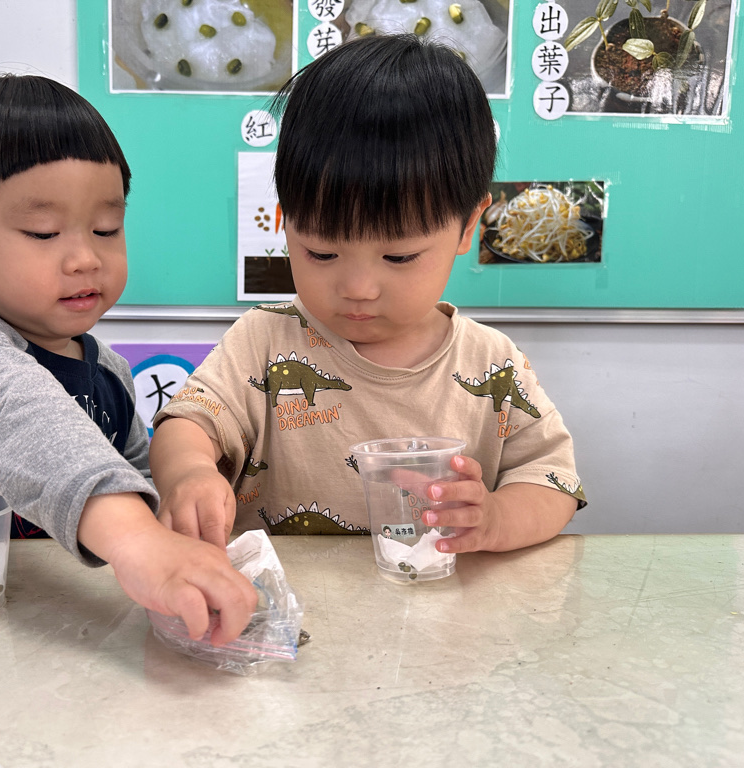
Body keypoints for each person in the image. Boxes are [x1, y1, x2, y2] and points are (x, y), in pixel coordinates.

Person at [150, 35, 586, 555]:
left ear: (469, 225)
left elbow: (552, 480)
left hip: (439, 597)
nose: (357, 288)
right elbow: (188, 423)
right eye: (321, 253)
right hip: (291, 600)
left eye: (398, 257)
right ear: (285, 220)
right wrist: (191, 472)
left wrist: (495, 519)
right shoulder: (263, 341)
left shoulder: (493, 362)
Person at [0, 74, 255, 643]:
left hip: (49, 622)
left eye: (106, 228)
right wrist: (138, 541)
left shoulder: (110, 373)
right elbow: (17, 415)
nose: (85, 258)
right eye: (44, 232)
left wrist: (179, 522)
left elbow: (134, 479)